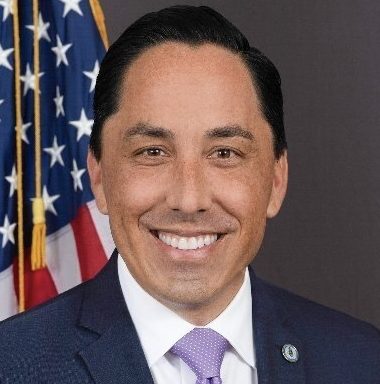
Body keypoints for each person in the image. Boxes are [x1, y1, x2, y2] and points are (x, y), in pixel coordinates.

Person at [0, 5, 379, 384]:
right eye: (152, 152)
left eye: (225, 154)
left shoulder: (362, 361)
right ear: (98, 176)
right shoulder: (12, 365)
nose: (188, 198)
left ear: (276, 181)